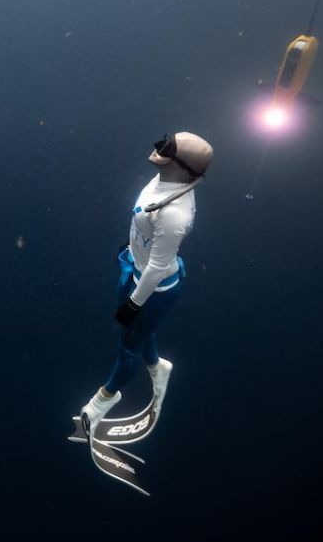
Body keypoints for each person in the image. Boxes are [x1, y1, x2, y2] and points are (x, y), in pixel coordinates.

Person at [78, 132, 214, 434]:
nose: (158, 149)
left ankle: (101, 403)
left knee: (128, 347)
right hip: (133, 268)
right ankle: (157, 367)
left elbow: (158, 266)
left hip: (154, 288)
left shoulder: (174, 215)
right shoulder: (162, 183)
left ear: (182, 166)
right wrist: (131, 248)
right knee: (135, 331)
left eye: (169, 149)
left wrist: (134, 303)